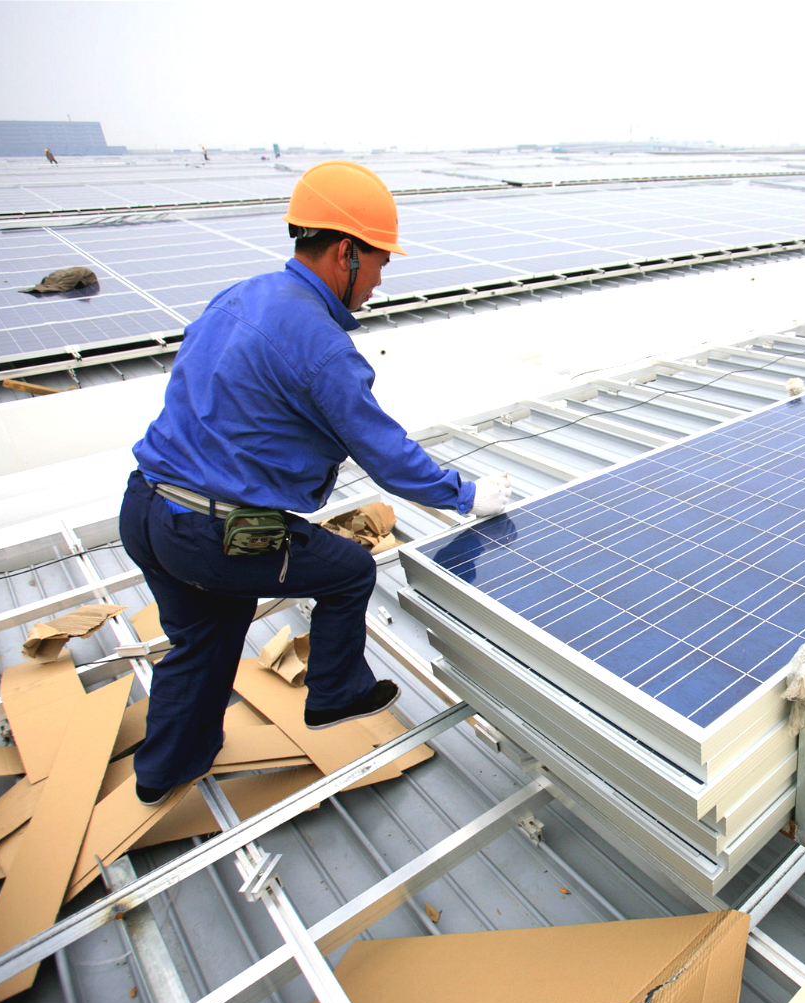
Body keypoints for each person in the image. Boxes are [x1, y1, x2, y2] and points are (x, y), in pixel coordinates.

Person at [119, 160, 511, 806]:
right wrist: (467, 495)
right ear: (344, 253)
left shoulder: (242, 296)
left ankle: (164, 769)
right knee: (348, 572)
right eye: (380, 261)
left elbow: (203, 386)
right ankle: (336, 694)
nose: (382, 278)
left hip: (145, 510)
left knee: (205, 635)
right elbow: (383, 452)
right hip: (211, 532)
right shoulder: (320, 343)